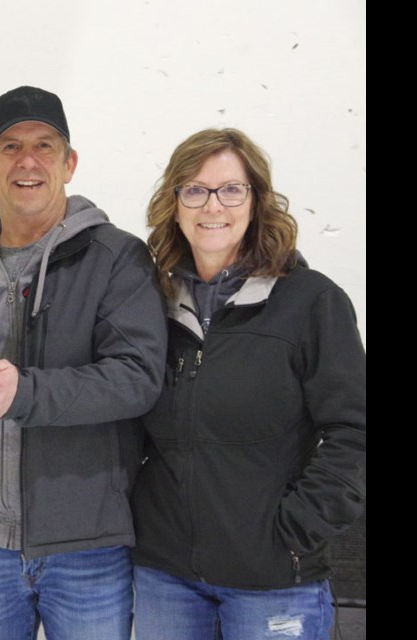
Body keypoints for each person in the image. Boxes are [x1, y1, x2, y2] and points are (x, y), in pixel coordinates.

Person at [0, 86, 168, 640]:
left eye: (45, 146)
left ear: (69, 164)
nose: (27, 161)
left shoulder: (116, 257)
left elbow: (138, 378)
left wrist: (25, 393)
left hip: (87, 549)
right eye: (9, 146)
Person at [131, 128, 366, 640]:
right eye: (194, 189)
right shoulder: (149, 306)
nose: (212, 204)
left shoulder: (311, 303)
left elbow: (356, 432)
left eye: (231, 189)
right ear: (174, 204)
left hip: (273, 581)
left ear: (257, 201)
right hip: (164, 577)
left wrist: (295, 532)